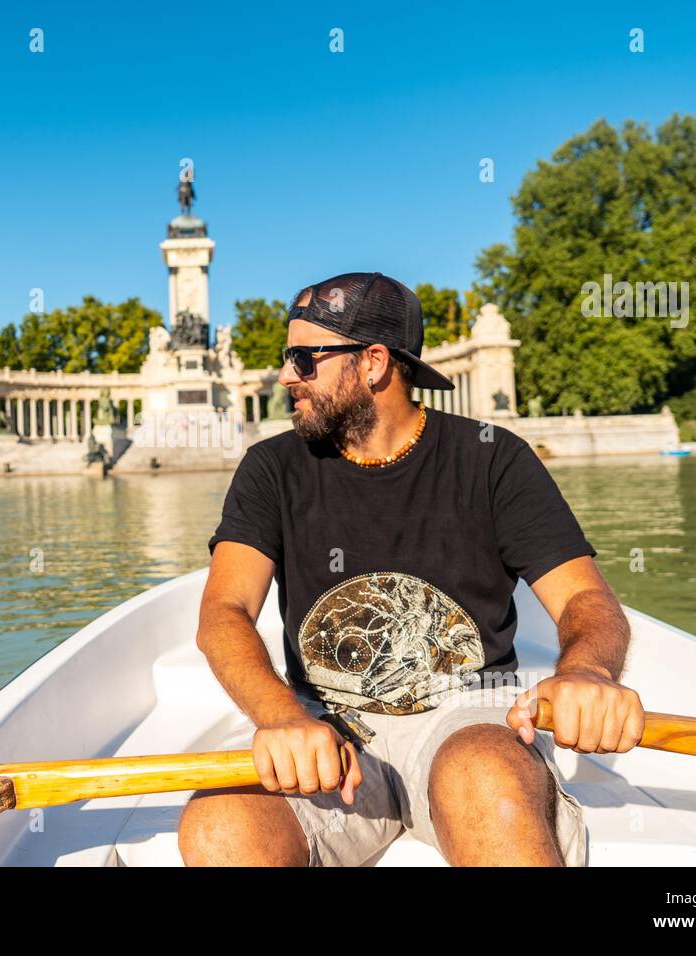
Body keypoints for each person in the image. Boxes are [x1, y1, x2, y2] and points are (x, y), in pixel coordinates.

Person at [177, 272, 644, 867]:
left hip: (469, 716)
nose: (285, 375)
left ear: (372, 363)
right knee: (221, 823)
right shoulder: (270, 468)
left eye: (304, 358)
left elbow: (586, 600)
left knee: (486, 779)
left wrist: (588, 671)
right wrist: (280, 717)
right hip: (325, 720)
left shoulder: (494, 458)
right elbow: (225, 612)